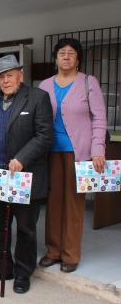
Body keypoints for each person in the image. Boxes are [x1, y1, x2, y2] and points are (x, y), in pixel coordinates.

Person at [0, 55, 53, 294]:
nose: (5, 81)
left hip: (23, 175)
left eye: (10, 75)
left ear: (21, 74)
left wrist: (22, 158)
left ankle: (22, 273)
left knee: (26, 228)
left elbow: (44, 135)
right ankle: (2, 267)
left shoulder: (37, 97)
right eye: (1, 77)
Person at [39, 38, 107, 273]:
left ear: (78, 59)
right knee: (53, 202)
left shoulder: (89, 82)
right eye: (61, 53)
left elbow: (99, 118)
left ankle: (70, 254)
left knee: (74, 205)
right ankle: (53, 250)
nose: (66, 56)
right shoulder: (45, 85)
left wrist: (98, 149)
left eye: (71, 53)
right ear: (55, 58)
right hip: (50, 152)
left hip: (79, 152)